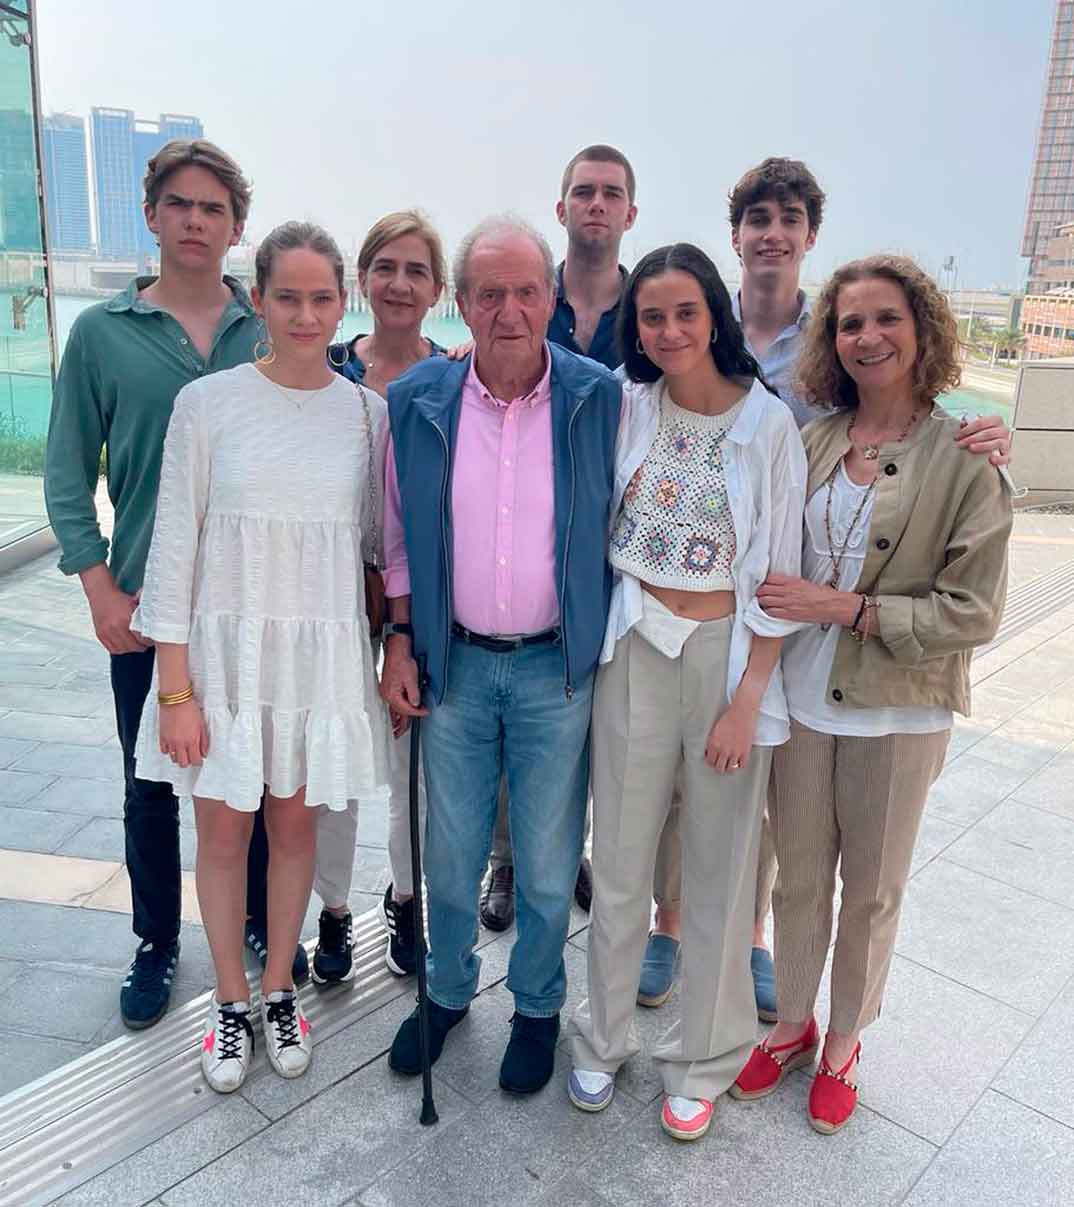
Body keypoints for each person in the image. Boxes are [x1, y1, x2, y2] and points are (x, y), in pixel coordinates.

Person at [640, 157, 1014, 1018]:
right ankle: (672, 920)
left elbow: (947, 517)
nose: (772, 232)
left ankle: (764, 944)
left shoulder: (845, 359)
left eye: (790, 218)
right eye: (757, 218)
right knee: (682, 782)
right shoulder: (696, 317)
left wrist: (995, 456)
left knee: (783, 815)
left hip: (796, 628)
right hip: (706, 605)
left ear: (809, 234)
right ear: (735, 234)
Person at [731, 255, 1012, 1133]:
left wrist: (845, 608)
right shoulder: (812, 440)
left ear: (921, 330)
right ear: (831, 339)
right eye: (850, 322)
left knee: (875, 887)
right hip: (805, 702)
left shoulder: (965, 457)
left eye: (886, 318)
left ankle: (846, 1039)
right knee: (800, 877)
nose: (867, 336)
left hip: (899, 709)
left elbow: (973, 612)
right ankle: (790, 1024)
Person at [130, 221, 389, 1093]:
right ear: (260, 298)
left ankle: (281, 986)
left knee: (294, 828)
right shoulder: (208, 405)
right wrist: (176, 691)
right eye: (289, 296)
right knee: (221, 829)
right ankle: (229, 1004)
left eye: (322, 298)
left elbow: (370, 547)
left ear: (341, 300)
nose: (307, 314)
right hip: (224, 653)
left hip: (315, 655)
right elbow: (175, 547)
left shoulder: (366, 413)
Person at [568, 243, 806, 1141]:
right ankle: (604, 1035)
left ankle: (703, 1055)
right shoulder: (627, 406)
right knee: (621, 856)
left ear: (715, 314)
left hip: (723, 655)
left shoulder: (766, 425)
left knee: (720, 869)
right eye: (651, 316)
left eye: (684, 312)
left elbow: (782, 570)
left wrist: (749, 697)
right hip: (633, 643)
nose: (668, 331)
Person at [380, 215, 622, 1095]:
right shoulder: (417, 403)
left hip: (558, 669)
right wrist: (401, 640)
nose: (510, 309)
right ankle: (445, 994)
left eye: (526, 290)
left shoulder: (602, 397)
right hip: (455, 664)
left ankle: (536, 1005)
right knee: (449, 854)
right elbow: (400, 537)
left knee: (552, 859)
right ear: (462, 303)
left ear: (551, 299)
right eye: (490, 292)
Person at [43, 140, 258, 1030]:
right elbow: (64, 475)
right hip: (144, 606)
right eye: (181, 204)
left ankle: (247, 927)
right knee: (152, 789)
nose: (197, 221)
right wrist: (98, 589)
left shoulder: (267, 329)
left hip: (250, 613)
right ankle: (157, 940)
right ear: (153, 214)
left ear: (237, 225)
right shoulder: (102, 335)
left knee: (247, 773)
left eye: (213, 208)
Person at [244, 209, 447, 986]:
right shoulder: (321, 368)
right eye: (385, 267)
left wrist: (400, 618)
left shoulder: (452, 377)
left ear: (437, 287)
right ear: (359, 281)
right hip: (320, 605)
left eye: (417, 270)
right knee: (320, 760)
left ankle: (406, 896)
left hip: (410, 604)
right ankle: (331, 908)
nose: (400, 283)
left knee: (406, 762)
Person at [478, 144, 637, 933]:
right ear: (562, 208)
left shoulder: (650, 313)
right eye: (583, 191)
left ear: (630, 213)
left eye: (611, 193)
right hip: (524, 553)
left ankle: (571, 851)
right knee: (519, 713)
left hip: (612, 562)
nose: (597, 205)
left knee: (587, 732)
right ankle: (509, 862)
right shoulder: (527, 297)